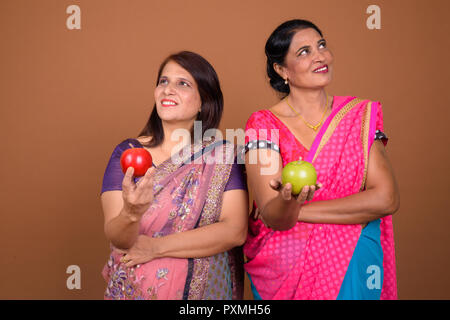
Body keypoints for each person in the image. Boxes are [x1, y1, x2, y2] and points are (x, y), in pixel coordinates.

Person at [243, 19, 399, 300]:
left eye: (322, 45)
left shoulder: (358, 117)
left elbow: (386, 199)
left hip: (355, 256)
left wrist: (296, 210)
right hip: (287, 265)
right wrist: (283, 211)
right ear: (281, 70)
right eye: (304, 51)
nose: (320, 56)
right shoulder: (263, 125)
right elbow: (274, 218)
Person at [100, 51, 248, 300]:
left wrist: (156, 248)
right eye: (163, 81)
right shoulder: (127, 153)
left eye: (183, 83)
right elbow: (118, 237)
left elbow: (235, 230)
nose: (168, 89)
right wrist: (131, 213)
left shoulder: (222, 157)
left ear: (204, 101)